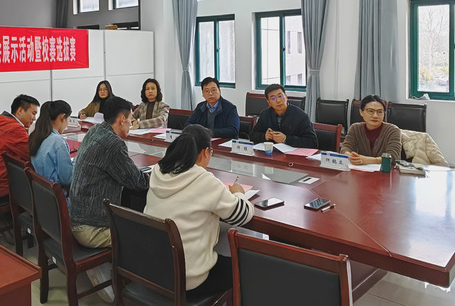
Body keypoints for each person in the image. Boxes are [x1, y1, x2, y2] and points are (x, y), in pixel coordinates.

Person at [144, 124, 253, 295]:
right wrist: (239, 193)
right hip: (187, 280)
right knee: (244, 267)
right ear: (205, 152)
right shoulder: (204, 180)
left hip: (152, 270)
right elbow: (242, 215)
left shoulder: (159, 170)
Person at [70, 96, 149, 248]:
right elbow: (138, 182)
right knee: (148, 235)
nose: (131, 124)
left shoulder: (95, 130)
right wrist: (157, 176)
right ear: (122, 120)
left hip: (78, 216)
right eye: (130, 119)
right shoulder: (113, 144)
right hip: (92, 228)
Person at [0, 94, 39, 198]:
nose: (34, 118)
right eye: (33, 113)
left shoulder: (2, 122)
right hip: (3, 188)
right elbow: (32, 155)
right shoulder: (14, 128)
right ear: (20, 110)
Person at [250, 84, 318, 148]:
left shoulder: (301, 116)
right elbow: (253, 135)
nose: (278, 101)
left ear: (286, 97)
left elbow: (313, 142)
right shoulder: (265, 114)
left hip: (292, 154)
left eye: (280, 96)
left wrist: (286, 139)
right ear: (269, 102)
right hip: (272, 153)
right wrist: (265, 136)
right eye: (273, 98)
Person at [341, 95, 401, 164]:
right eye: (370, 111)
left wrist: (367, 160)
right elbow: (345, 148)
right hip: (361, 169)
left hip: (386, 170)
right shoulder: (355, 128)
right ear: (361, 112)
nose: (375, 116)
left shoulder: (392, 130)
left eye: (380, 112)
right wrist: (349, 155)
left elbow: (393, 157)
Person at [29, 100, 74, 189]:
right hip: (57, 193)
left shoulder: (36, 135)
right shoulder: (58, 141)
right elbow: (67, 179)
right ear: (62, 117)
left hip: (42, 191)